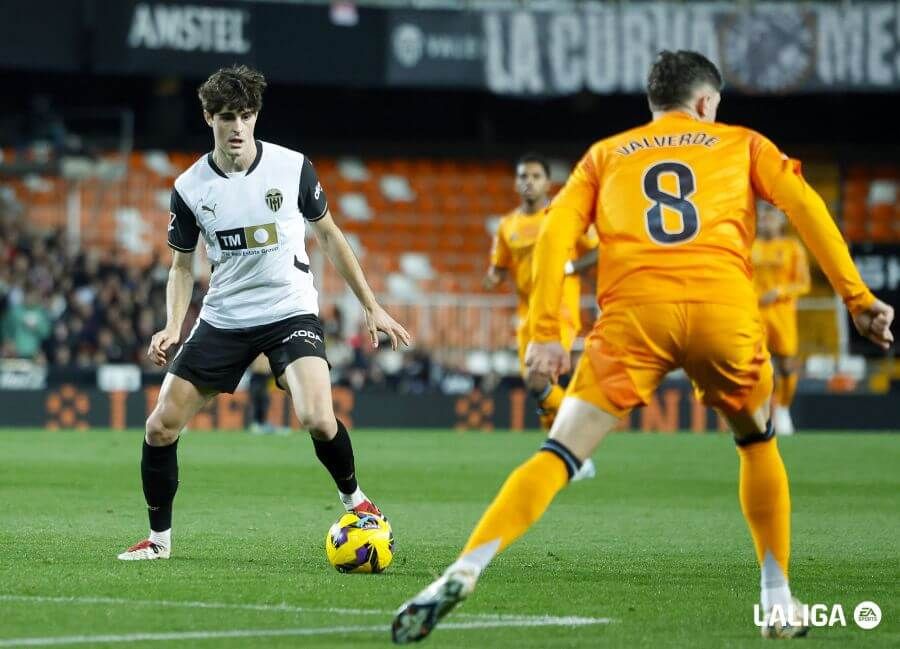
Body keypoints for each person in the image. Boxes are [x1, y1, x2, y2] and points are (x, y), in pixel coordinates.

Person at [391, 50, 894, 642]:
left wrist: (548, 333)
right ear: (706, 103)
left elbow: (555, 233)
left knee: (558, 454)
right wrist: (857, 300)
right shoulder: (743, 143)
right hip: (722, 312)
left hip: (634, 317)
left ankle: (465, 566)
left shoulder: (606, 154)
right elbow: (805, 206)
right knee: (757, 441)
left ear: (653, 104)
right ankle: (778, 598)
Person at [118, 65, 410, 561]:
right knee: (159, 427)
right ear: (209, 117)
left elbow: (330, 236)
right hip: (225, 318)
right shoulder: (190, 188)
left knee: (318, 418)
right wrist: (173, 324)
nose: (237, 127)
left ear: (257, 117)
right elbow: (181, 267)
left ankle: (358, 503)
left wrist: (371, 304)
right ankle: (159, 542)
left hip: (289, 311)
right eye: (227, 116)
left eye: (246, 116)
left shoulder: (292, 167)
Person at [483, 153, 598, 430]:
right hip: (527, 314)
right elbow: (498, 267)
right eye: (523, 176)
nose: (529, 182)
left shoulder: (562, 219)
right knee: (537, 387)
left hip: (559, 310)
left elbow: (599, 249)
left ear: (548, 183)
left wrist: (570, 267)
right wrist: (493, 277)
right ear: (515, 182)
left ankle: (579, 432)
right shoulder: (507, 225)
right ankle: (562, 448)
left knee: (539, 380)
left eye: (536, 177)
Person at [752, 203, 810, 435]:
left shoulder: (792, 247)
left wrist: (779, 291)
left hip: (782, 316)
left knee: (785, 365)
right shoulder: (750, 246)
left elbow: (803, 283)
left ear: (781, 221)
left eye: (770, 217)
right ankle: (762, 413)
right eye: (763, 217)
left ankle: (784, 409)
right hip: (755, 314)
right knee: (757, 366)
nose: (766, 221)